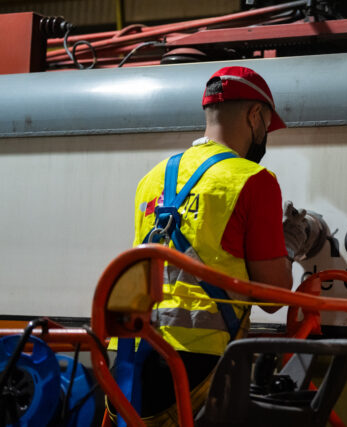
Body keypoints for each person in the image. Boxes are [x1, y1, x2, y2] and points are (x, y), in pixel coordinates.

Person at [110, 66, 311, 424]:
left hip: (129, 355)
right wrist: (290, 242)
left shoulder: (151, 178)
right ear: (254, 115)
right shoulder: (254, 180)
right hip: (197, 360)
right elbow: (273, 297)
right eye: (266, 126)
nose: (265, 136)